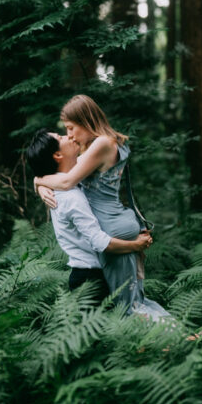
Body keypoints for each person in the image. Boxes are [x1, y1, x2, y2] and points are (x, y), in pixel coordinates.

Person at [34, 95, 169, 320]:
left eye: (70, 128)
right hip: (113, 223)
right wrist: (38, 183)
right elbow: (60, 172)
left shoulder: (102, 143)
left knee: (128, 308)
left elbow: (67, 182)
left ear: (86, 120)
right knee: (134, 301)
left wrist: (39, 182)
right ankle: (180, 339)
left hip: (111, 228)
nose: (69, 135)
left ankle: (180, 340)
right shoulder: (95, 145)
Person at [26, 129, 153, 304]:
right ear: (57, 155)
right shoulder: (71, 197)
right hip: (91, 281)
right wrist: (135, 245)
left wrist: (38, 182)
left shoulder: (67, 184)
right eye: (61, 137)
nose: (69, 135)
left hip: (90, 277)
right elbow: (99, 242)